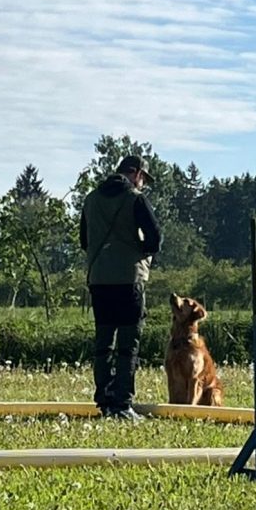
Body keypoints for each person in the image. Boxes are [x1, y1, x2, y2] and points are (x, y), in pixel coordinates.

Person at [80, 155, 162, 421]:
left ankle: (104, 401)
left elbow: (84, 239)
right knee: (128, 344)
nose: (143, 184)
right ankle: (123, 404)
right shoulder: (136, 199)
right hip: (129, 279)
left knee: (103, 343)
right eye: (143, 179)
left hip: (99, 280)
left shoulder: (91, 199)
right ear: (136, 173)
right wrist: (137, 251)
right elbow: (155, 239)